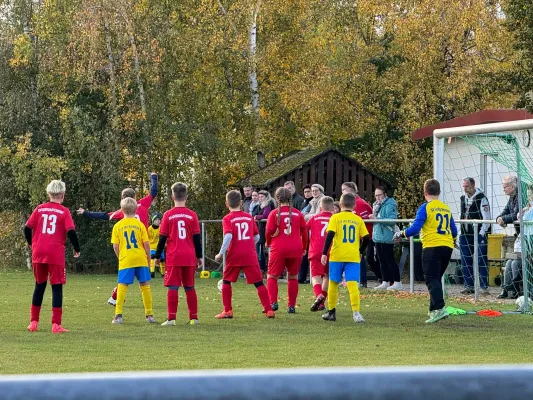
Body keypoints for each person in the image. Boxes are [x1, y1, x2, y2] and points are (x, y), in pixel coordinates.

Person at [76, 173, 158, 306]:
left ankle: (115, 297)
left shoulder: (122, 212)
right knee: (143, 278)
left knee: (126, 275)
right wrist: (154, 177)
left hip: (127, 248)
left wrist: (86, 213)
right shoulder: (142, 204)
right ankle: (144, 306)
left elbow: (104, 216)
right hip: (142, 246)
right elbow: (153, 192)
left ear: (122, 199)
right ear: (136, 197)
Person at [394, 179, 457, 324]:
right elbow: (454, 230)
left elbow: (415, 228)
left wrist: (402, 233)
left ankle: (440, 308)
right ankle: (434, 310)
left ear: (425, 193)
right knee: (436, 278)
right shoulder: (446, 208)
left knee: (430, 278)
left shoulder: (425, 207)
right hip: (447, 246)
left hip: (432, 246)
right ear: (439, 192)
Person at [24, 180, 80, 333]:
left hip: (39, 252)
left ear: (49, 194)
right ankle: (56, 324)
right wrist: (77, 248)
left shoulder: (39, 209)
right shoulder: (64, 211)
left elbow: (26, 228)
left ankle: (33, 322)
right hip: (55, 253)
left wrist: (32, 244)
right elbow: (71, 232)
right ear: (62, 195)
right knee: (56, 287)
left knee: (39, 285)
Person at [214, 190, 275, 318]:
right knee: (258, 282)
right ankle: (269, 310)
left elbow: (228, 236)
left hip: (234, 254)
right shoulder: (248, 217)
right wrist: (248, 244)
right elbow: (257, 236)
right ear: (241, 203)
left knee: (226, 281)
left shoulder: (227, 218)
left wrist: (221, 252)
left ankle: (228, 311)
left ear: (226, 204)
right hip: (249, 254)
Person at [154, 182, 203, 326]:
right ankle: (194, 318)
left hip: (174, 256)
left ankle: (171, 319)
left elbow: (162, 238)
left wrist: (157, 257)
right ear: (186, 197)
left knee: (173, 287)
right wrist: (199, 256)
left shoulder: (168, 215)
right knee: (190, 287)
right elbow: (196, 239)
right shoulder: (192, 215)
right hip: (189, 256)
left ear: (172, 197)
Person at [321, 193, 369, 323]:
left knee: (334, 283)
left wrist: (324, 253)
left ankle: (331, 312)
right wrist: (360, 251)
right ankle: (356, 313)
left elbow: (330, 235)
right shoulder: (358, 219)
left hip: (337, 255)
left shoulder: (335, 218)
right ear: (354, 206)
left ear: (340, 205)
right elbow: (366, 238)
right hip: (352, 256)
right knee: (353, 284)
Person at [110, 197, 155, 325]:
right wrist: (147, 259)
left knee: (122, 286)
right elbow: (146, 244)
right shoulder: (140, 225)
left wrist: (121, 257)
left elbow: (115, 246)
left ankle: (118, 315)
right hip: (140, 258)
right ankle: (149, 315)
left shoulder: (118, 226)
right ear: (136, 209)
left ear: (122, 210)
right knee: (145, 286)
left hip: (126, 260)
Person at [265, 187, 308, 313]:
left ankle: (273, 303)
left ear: (277, 198)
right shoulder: (297, 213)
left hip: (278, 248)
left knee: (272, 276)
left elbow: (268, 231)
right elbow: (304, 233)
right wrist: (304, 247)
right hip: (295, 248)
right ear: (290, 198)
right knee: (293, 277)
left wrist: (268, 243)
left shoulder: (273, 213)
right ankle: (291, 306)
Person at [459, 177, 491, 295]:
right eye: (464, 186)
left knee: (481, 259)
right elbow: (461, 214)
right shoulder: (463, 198)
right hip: (465, 234)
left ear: (472, 185)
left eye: (467, 186)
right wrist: (459, 232)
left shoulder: (482, 198)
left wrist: (481, 233)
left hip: (478, 234)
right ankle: (469, 286)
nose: (465, 189)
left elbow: (486, 218)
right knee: (465, 260)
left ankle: (484, 287)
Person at [341, 182, 372, 288]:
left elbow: (365, 221)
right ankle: (351, 280)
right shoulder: (352, 203)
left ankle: (362, 281)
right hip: (353, 236)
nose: (342, 192)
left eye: (344, 189)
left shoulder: (360, 203)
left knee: (360, 257)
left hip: (361, 236)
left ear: (351, 190)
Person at [370, 186, 402, 291]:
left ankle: (397, 281)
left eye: (379, 195)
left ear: (385, 194)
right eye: (376, 195)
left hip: (387, 236)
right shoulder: (376, 205)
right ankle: (385, 281)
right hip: (378, 235)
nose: (377, 197)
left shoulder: (390, 204)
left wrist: (377, 219)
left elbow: (391, 220)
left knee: (390, 259)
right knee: (381, 260)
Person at [307, 196, 335, 312]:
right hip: (331, 251)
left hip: (316, 250)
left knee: (315, 276)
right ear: (333, 207)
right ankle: (322, 303)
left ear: (320, 207)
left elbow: (304, 228)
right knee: (327, 276)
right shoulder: (335, 218)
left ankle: (318, 295)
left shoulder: (314, 218)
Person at [254, 190, 276, 274]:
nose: (260, 198)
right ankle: (262, 269)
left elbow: (266, 215)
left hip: (266, 230)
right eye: (259, 197)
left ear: (266, 197)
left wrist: (257, 217)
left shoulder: (268, 204)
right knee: (261, 251)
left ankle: (265, 269)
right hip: (262, 230)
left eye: (262, 197)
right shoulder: (260, 205)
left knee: (263, 251)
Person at [148, 213, 165, 278]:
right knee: (152, 257)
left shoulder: (161, 228)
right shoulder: (149, 229)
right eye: (156, 219)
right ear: (153, 221)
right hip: (152, 246)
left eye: (159, 219)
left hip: (160, 247)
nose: (158, 221)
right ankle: (152, 273)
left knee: (162, 259)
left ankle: (163, 274)